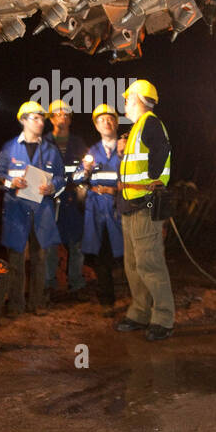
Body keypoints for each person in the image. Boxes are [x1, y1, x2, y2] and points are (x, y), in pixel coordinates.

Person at [116, 79, 174, 340]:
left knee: (150, 264)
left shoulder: (150, 123)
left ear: (139, 98)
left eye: (128, 98)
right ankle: (140, 312)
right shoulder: (138, 128)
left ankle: (163, 318)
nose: (125, 103)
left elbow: (162, 149)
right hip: (130, 205)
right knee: (133, 265)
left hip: (144, 205)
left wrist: (154, 179)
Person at [0, 100, 64, 316]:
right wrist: (10, 183)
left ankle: (37, 303)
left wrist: (53, 187)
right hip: (16, 210)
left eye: (42, 118)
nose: (41, 122)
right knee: (15, 257)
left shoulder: (51, 151)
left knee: (40, 257)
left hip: (42, 211)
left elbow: (62, 179)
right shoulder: (9, 148)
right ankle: (15, 304)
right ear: (23, 120)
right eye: (36, 117)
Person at [74, 104, 124, 314]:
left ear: (116, 122)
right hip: (96, 209)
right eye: (101, 120)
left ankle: (138, 299)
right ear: (96, 125)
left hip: (119, 207)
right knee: (102, 256)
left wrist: (115, 190)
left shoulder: (126, 148)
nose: (106, 122)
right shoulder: (91, 152)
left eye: (110, 119)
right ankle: (107, 301)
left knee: (126, 254)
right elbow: (76, 179)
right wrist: (84, 171)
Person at [45, 98, 87, 299]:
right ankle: (48, 286)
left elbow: (85, 171)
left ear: (70, 119)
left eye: (66, 114)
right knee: (51, 244)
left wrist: (82, 177)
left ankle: (76, 284)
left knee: (76, 243)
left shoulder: (78, 143)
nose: (62, 117)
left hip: (73, 199)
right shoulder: (43, 143)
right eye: (58, 114)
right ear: (51, 119)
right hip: (50, 199)